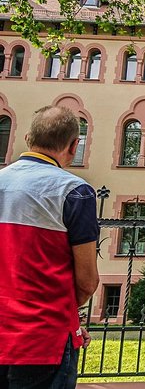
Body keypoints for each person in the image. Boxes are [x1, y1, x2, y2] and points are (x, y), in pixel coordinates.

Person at [0, 106, 100, 389]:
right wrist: (67, 311)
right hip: (43, 339)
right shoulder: (74, 191)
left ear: (29, 138)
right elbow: (87, 281)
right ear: (73, 146)